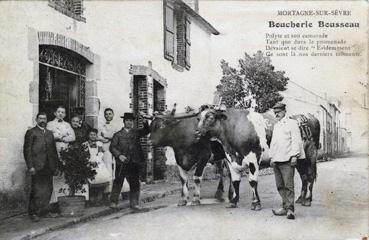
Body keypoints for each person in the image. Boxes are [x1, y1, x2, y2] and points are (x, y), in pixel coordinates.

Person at [269, 103, 304, 220]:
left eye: (278, 111)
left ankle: (290, 210)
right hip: (277, 160)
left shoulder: (292, 124)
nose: (276, 114)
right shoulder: (277, 125)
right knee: (280, 185)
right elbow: (273, 143)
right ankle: (284, 207)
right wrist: (271, 157)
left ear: (284, 111)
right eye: (275, 112)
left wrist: (295, 156)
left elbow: (296, 140)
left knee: (288, 186)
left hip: (287, 159)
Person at [109, 112, 150, 210]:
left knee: (134, 182)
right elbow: (112, 147)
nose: (129, 122)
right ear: (124, 122)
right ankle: (113, 201)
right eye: (127, 120)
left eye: (131, 121)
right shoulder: (117, 135)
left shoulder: (136, 133)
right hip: (122, 162)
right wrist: (119, 155)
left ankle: (134, 203)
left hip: (134, 162)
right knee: (118, 181)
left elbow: (146, 131)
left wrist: (144, 120)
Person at [23, 112, 59, 222]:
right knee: (36, 189)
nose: (43, 120)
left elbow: (53, 151)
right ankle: (33, 213)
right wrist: (30, 166)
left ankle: (44, 211)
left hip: (49, 165)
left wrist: (56, 166)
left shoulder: (49, 133)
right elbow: (27, 151)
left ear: (47, 120)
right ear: (36, 119)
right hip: (37, 166)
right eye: (40, 118)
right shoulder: (31, 132)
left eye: (45, 118)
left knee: (48, 189)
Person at [47, 106, 76, 203]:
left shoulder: (67, 125)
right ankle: (53, 200)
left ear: (65, 114)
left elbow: (72, 137)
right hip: (54, 150)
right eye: (58, 112)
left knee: (64, 173)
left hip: (65, 151)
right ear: (55, 113)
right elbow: (49, 136)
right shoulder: (50, 124)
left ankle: (63, 197)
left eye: (62, 112)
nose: (60, 114)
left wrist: (64, 139)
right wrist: (60, 136)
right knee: (56, 173)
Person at [98, 108, 119, 194]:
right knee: (107, 167)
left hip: (115, 148)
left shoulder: (116, 125)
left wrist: (106, 135)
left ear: (113, 115)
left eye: (110, 114)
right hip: (106, 148)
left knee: (116, 168)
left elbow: (117, 136)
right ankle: (108, 190)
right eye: (106, 114)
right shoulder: (101, 126)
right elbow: (98, 136)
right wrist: (105, 139)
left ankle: (117, 189)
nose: (108, 115)